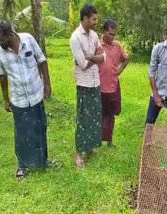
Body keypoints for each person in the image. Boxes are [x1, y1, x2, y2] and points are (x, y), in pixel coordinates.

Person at [0, 20, 52, 178]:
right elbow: (2, 76)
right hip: (19, 99)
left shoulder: (28, 39)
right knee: (22, 133)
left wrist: (47, 84)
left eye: (2, 39)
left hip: (36, 94)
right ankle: (22, 166)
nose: (0, 43)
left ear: (10, 34)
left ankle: (43, 161)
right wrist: (6, 99)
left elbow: (42, 61)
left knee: (40, 129)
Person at [69, 4, 105, 167]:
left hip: (95, 81)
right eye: (94, 19)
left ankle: (89, 147)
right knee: (83, 118)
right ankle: (79, 154)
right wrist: (94, 58)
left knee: (94, 116)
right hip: (84, 84)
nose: (96, 22)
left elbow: (102, 56)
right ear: (85, 18)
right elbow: (83, 65)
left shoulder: (95, 35)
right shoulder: (75, 38)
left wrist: (91, 57)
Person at [98, 20, 129, 147]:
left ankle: (109, 141)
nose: (112, 37)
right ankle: (96, 140)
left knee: (111, 115)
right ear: (103, 32)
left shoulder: (117, 46)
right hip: (100, 87)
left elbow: (126, 58)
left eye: (114, 34)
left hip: (113, 86)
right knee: (99, 114)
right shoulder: (97, 46)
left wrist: (119, 70)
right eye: (110, 34)